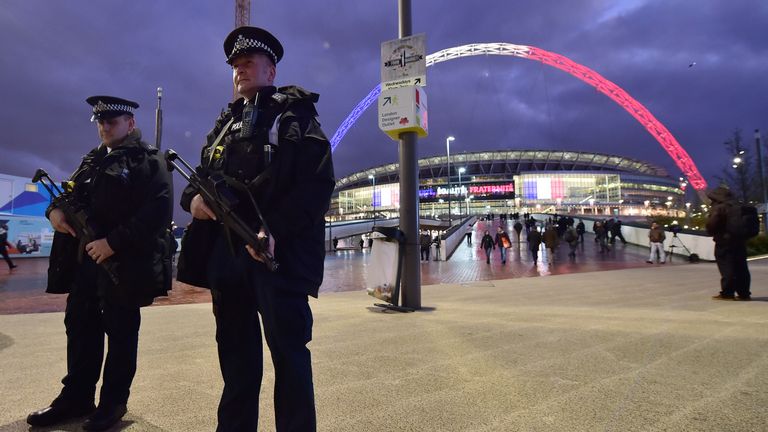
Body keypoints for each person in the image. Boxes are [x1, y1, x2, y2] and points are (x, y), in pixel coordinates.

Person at [179, 26, 334, 431]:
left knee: (290, 357)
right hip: (227, 258)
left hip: (274, 257)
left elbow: (316, 186)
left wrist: (274, 230)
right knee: (235, 357)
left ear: (271, 70)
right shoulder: (224, 125)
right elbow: (199, 178)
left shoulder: (296, 117)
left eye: (248, 63)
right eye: (235, 65)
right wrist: (192, 201)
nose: (239, 70)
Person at [26, 96, 173, 431]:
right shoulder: (92, 160)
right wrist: (54, 212)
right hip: (86, 263)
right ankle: (76, 397)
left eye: (112, 121)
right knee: (80, 328)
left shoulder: (148, 160)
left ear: (130, 123)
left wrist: (112, 243)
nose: (105, 127)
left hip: (123, 265)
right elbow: (68, 194)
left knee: (121, 335)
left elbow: (157, 212)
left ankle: (112, 404)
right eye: (100, 121)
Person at [706, 186, 751, 301]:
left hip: (724, 241)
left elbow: (712, 225)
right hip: (740, 241)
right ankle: (744, 293)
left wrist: (711, 232)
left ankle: (727, 292)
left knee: (726, 267)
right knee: (742, 267)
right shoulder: (740, 206)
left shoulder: (719, 208)